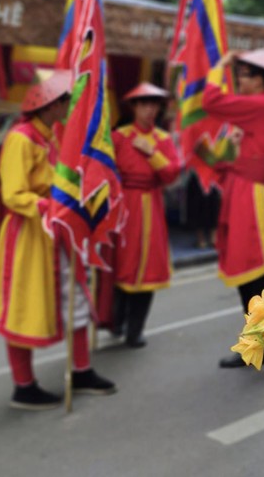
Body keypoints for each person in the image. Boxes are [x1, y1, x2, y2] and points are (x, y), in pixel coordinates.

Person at [0, 71, 116, 410]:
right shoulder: (21, 138)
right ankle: (24, 386)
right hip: (28, 234)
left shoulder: (53, 137)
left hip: (58, 233)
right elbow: (13, 194)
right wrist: (51, 205)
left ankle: (82, 371)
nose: (66, 106)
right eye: (63, 101)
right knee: (23, 306)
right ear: (48, 103)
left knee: (76, 299)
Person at [202, 48, 264, 383]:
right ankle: (255, 346)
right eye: (237, 72)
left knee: (262, 279)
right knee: (245, 277)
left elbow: (211, 101)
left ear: (260, 80)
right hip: (239, 196)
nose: (238, 79)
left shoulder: (263, 105)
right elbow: (218, 161)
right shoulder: (248, 119)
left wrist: (218, 67)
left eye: (243, 74)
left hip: (254, 197)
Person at [109, 83, 181, 348]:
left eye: (153, 104)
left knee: (149, 268)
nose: (149, 110)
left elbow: (172, 174)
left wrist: (151, 153)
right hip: (124, 205)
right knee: (121, 264)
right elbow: (104, 170)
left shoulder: (162, 140)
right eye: (143, 104)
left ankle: (135, 329)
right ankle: (116, 320)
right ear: (134, 107)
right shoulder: (119, 136)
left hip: (151, 205)